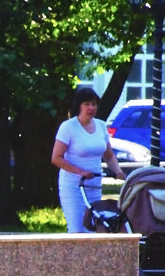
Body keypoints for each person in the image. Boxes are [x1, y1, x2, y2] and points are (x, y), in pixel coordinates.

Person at [51, 87, 124, 233]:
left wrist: (118, 171)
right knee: (77, 228)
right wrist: (80, 172)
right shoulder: (68, 127)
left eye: (94, 104)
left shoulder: (101, 126)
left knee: (94, 227)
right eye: (87, 104)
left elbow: (108, 155)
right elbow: (56, 158)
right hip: (73, 187)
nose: (91, 108)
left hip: (94, 186)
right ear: (79, 105)